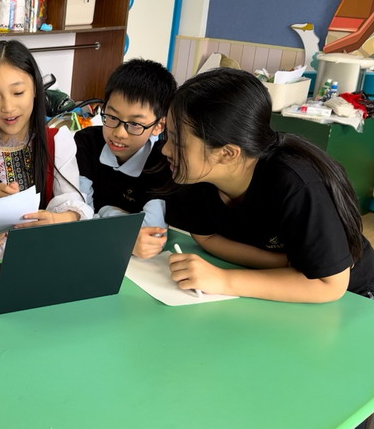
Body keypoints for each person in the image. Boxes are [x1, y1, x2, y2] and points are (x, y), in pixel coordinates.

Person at [163, 67, 374, 302]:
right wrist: (284, 263)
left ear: (227, 153)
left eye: (177, 142)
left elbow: (330, 285)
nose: (165, 150)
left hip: (352, 297)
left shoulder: (296, 184)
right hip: (275, 284)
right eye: (167, 136)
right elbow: (206, 237)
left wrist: (224, 280)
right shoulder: (191, 174)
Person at [0, 40, 92, 261]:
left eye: (18, 92)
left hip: (54, 259)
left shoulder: (57, 141)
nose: (8, 107)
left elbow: (74, 205)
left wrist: (53, 220)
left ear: (36, 89)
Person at [75, 59, 176, 259]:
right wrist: (118, 223)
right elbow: (77, 216)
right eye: (112, 117)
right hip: (88, 251)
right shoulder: (87, 142)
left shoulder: (163, 161)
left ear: (159, 126)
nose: (119, 133)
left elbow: (151, 235)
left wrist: (100, 212)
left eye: (135, 124)